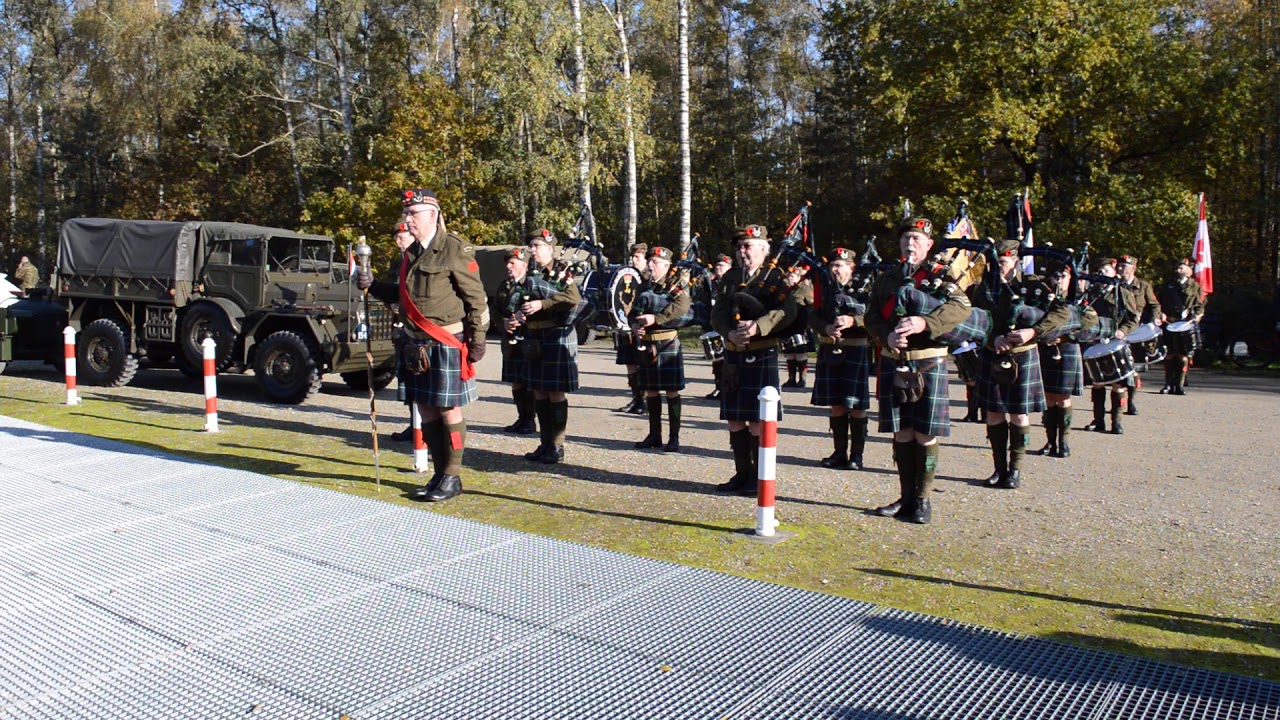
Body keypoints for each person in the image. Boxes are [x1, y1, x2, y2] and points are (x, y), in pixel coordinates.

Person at [358, 189, 489, 502]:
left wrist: (478, 341)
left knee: (448, 408)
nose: (408, 219)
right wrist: (372, 285)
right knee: (426, 409)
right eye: (407, 214)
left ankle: (453, 476)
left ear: (433, 215)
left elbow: (477, 300)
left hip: (445, 340)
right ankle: (440, 475)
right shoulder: (411, 253)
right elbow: (403, 296)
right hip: (415, 344)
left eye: (414, 213)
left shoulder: (455, 249)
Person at [865, 217, 972, 524]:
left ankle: (923, 500)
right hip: (894, 358)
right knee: (901, 432)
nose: (910, 243)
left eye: (916, 239)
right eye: (905, 239)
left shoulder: (940, 274)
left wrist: (926, 323)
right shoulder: (887, 277)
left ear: (928, 245)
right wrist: (885, 335)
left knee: (925, 433)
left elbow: (961, 307)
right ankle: (905, 497)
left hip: (928, 360)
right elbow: (872, 315)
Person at [973, 239, 1072, 489]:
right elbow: (973, 319)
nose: (999, 267)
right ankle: (998, 469)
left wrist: (1033, 332)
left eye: (1004, 262)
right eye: (995, 262)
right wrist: (991, 338)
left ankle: (1015, 470)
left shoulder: (1034, 285)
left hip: (1023, 353)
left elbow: (1063, 313)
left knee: (1019, 414)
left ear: (1016, 261)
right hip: (992, 352)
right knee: (994, 413)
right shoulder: (982, 287)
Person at [710, 225, 798, 496]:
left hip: (762, 352)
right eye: (739, 246)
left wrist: (759, 325)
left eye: (748, 246)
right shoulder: (731, 278)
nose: (742, 251)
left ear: (764, 249)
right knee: (735, 419)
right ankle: (742, 474)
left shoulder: (776, 277)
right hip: (735, 353)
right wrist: (730, 333)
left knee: (760, 420)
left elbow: (789, 310)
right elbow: (719, 313)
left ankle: (760, 478)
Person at [516, 228, 582, 464]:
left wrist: (542, 304)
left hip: (556, 335)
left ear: (550, 249)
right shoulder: (531, 272)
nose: (533, 251)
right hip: (535, 337)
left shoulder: (562, 271)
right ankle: (544, 444)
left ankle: (557, 445)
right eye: (531, 246)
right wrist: (519, 313)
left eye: (537, 247)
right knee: (538, 391)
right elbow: (521, 298)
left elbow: (573, 298)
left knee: (555, 392)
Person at [809, 247, 871, 470]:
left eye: (840, 266)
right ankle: (839, 452)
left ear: (851, 268)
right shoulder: (823, 287)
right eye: (833, 265)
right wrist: (824, 327)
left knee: (856, 405)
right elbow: (812, 315)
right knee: (836, 405)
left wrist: (854, 321)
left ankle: (857, 455)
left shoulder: (865, 287)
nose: (835, 270)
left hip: (855, 349)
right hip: (829, 348)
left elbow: (875, 315)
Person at [631, 246, 693, 452]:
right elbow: (633, 312)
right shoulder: (643, 285)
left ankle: (674, 437)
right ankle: (654, 435)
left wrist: (656, 319)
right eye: (650, 262)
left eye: (656, 263)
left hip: (667, 342)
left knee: (672, 390)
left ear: (666, 266)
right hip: (647, 344)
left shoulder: (674, 285)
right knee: (651, 390)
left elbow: (683, 306)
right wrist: (634, 327)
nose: (651, 265)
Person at [1035, 256, 1095, 458]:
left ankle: (1063, 442)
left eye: (1064, 276)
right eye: (1056, 276)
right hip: (1045, 349)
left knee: (1063, 398)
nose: (1059, 279)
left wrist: (1066, 336)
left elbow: (1089, 322)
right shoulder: (1042, 297)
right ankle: (1050, 441)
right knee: (1048, 398)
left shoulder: (1080, 298)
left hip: (1068, 349)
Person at [1082, 259, 1140, 434]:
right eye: (1100, 271)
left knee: (1118, 385)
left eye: (1105, 271)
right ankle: (1098, 420)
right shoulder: (1091, 293)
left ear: (1114, 273)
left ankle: (1117, 421)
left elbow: (1133, 319)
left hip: (1116, 342)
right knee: (1098, 383)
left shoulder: (1123, 293)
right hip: (1095, 341)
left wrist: (1123, 330)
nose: (1101, 274)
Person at [384, 223, 418, 443]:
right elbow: (390, 289)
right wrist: (391, 305)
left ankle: (424, 428)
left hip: (417, 327)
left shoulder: (418, 259)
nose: (399, 242)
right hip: (399, 327)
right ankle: (413, 424)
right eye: (396, 238)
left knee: (419, 379)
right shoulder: (398, 262)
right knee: (404, 378)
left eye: (403, 237)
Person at [498, 246, 537, 434]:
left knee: (530, 381)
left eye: (512, 263)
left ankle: (531, 421)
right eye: (507, 262)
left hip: (529, 340)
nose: (508, 266)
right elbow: (495, 311)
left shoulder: (533, 284)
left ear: (524, 265)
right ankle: (523, 418)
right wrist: (504, 322)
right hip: (511, 341)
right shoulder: (504, 286)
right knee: (516, 381)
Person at [1118, 255, 1160, 415]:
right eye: (1120, 266)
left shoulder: (1143, 286)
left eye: (1124, 266)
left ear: (1133, 269)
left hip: (1136, 331)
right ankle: (1118, 403)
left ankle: (1131, 401)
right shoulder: (1114, 284)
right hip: (1119, 331)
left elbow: (1154, 305)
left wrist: (1156, 317)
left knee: (1132, 368)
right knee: (1119, 369)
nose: (1121, 268)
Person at [1158, 258, 1204, 395]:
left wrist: (1197, 315)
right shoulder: (1167, 285)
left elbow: (1200, 306)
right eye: (1177, 267)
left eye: (1182, 267)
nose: (1179, 269)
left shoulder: (1195, 287)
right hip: (1170, 323)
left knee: (1183, 356)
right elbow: (1158, 303)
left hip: (1186, 325)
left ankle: (1179, 385)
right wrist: (1161, 314)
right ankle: (1167, 384)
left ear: (1189, 270)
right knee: (1169, 355)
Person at [615, 243, 649, 414]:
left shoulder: (649, 278)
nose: (633, 260)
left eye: (637, 257)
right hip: (626, 325)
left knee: (643, 364)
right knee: (630, 364)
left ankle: (645, 401)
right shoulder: (625, 276)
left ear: (645, 258)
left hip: (641, 328)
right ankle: (636, 399)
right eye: (632, 257)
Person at [704, 252, 733, 400]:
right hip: (712, 324)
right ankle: (718, 387)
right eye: (717, 265)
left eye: (722, 266)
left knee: (728, 359)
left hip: (728, 325)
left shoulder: (732, 283)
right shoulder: (710, 283)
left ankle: (728, 388)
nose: (718, 268)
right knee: (716, 358)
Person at [781, 263, 815, 389]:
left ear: (798, 277)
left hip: (801, 324)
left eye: (793, 276)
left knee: (800, 353)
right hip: (786, 325)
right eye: (789, 276)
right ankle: (791, 379)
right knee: (789, 353)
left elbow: (812, 305)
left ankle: (802, 379)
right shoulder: (784, 290)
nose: (790, 278)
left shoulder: (804, 289)